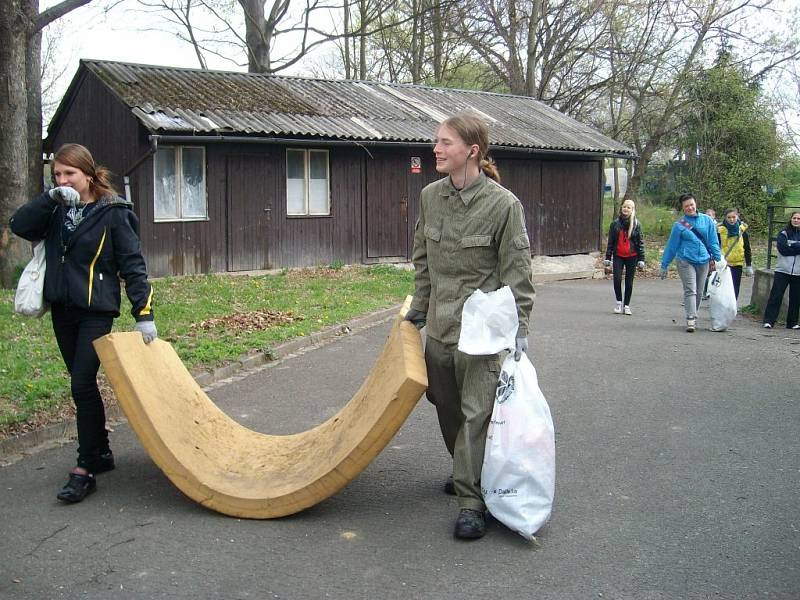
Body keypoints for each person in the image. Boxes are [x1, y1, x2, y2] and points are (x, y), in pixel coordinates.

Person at [403, 112, 535, 540]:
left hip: (482, 337)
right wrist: (417, 313)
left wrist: (520, 332)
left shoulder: (503, 206)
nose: (436, 149)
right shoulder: (429, 197)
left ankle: (471, 501)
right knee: (446, 407)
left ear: (472, 151)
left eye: (445, 143)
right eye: (436, 141)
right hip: (440, 331)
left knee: (477, 414)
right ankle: (467, 468)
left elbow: (519, 276)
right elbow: (423, 262)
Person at [10, 143, 157, 503]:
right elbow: (19, 225)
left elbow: (133, 264)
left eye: (69, 174)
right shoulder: (56, 209)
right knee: (83, 384)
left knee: (80, 383)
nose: (62, 180)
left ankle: (85, 468)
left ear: (88, 175)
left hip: (97, 312)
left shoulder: (113, 212)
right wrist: (50, 198)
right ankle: (102, 452)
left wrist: (144, 314)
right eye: (56, 174)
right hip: (63, 310)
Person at [659, 193, 722, 332]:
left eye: (691, 205)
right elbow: (672, 246)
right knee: (690, 290)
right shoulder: (679, 225)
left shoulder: (707, 221)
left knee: (699, 291)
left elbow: (713, 241)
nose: (690, 208)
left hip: (704, 260)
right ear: (683, 208)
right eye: (686, 206)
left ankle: (694, 314)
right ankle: (691, 318)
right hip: (685, 260)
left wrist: (719, 259)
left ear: (696, 204)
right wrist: (664, 264)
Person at [604, 199, 645, 315]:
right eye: (624, 207)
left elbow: (640, 242)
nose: (626, 209)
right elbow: (611, 242)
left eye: (629, 207)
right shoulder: (615, 224)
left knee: (629, 282)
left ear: (632, 210)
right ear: (621, 208)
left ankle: (626, 305)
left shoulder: (637, 224)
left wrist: (641, 259)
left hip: (632, 256)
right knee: (617, 279)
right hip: (618, 255)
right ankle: (618, 302)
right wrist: (608, 257)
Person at [763, 211, 800, 329]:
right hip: (782, 270)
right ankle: (769, 320)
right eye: (794, 218)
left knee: (796, 298)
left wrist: (792, 246)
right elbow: (783, 249)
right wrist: (798, 246)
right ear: (790, 219)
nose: (796, 220)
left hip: (798, 272)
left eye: (799, 219)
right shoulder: (783, 233)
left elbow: (788, 248)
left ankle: (792, 322)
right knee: (776, 296)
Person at [717, 208, 753, 300]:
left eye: (734, 217)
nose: (731, 219)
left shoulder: (742, 230)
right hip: (724, 264)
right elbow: (715, 246)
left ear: (737, 216)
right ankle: (722, 308)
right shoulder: (720, 230)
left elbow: (747, 248)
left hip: (738, 263)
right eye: (729, 217)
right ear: (725, 218)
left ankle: (732, 309)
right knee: (723, 288)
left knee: (735, 288)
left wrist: (749, 265)